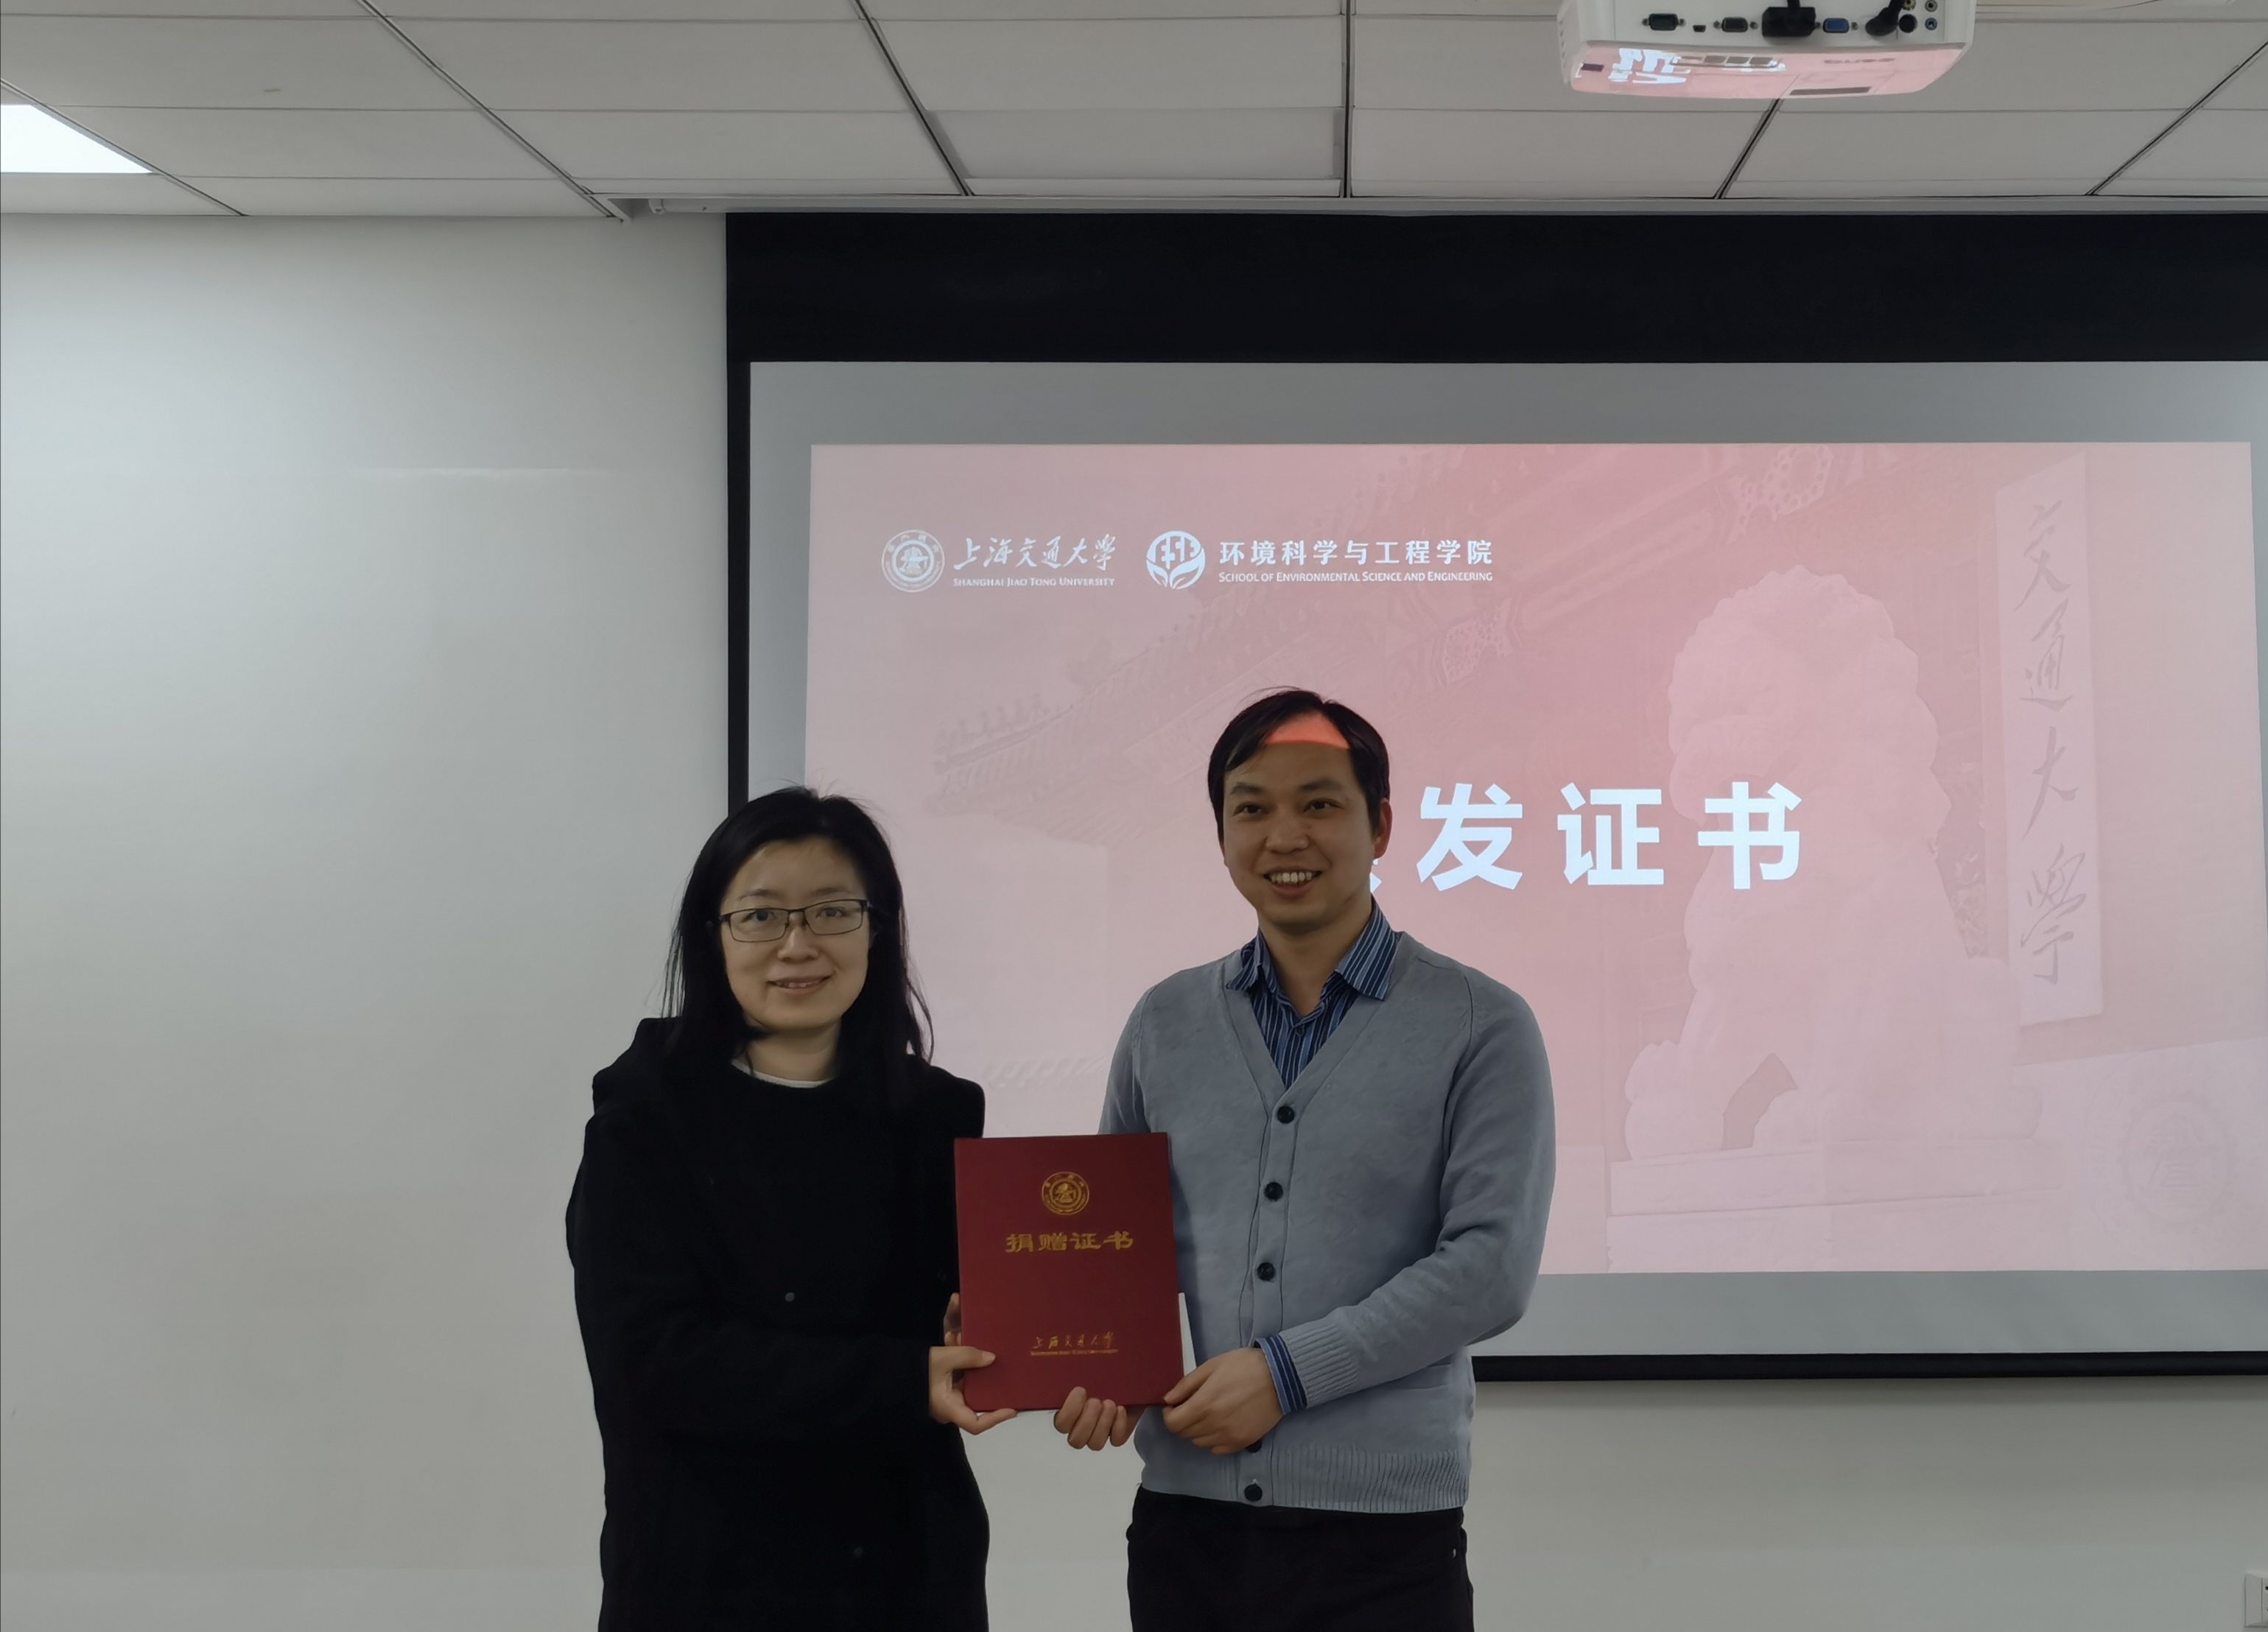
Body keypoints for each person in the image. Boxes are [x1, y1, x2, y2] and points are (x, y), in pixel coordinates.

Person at [1056, 690, 1556, 1632]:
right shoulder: (1164, 1022)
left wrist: (1285, 1375)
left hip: (1384, 1540)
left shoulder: (1480, 1024)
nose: (1284, 836)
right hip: (1185, 1527)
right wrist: (1063, 1343)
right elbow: (1113, 1245)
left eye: (1319, 804)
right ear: (1221, 834)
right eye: (1251, 808)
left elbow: (1489, 1269)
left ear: (1381, 825)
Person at [566, 787, 1014, 1632]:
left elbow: (959, 1327)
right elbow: (650, 1364)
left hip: (907, 1571)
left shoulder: (939, 1115)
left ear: (877, 929)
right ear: (713, 934)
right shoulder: (645, 1120)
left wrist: (1033, 1351)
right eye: (761, 917)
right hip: (708, 1573)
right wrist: (901, 1378)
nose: (798, 945)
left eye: (834, 911)